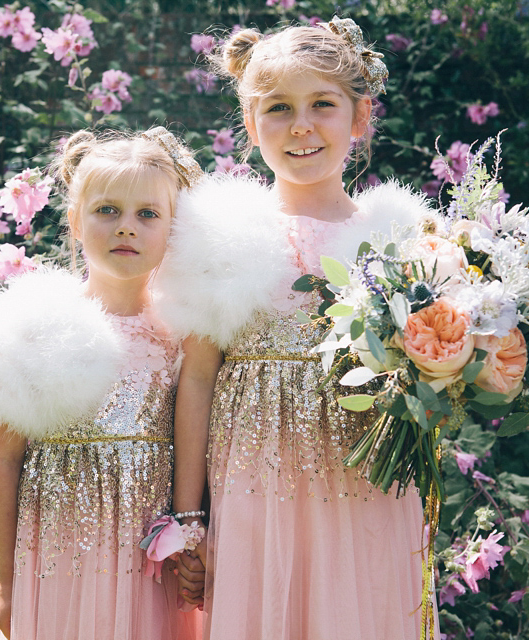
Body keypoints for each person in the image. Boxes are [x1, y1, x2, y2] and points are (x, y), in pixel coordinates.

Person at [160, 18, 439, 640]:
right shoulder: (221, 237)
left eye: (323, 104)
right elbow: (198, 379)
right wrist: (190, 517)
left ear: (359, 116)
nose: (302, 125)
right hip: (257, 486)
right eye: (279, 108)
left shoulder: (404, 242)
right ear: (251, 123)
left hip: (365, 485)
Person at [0, 127, 203, 640]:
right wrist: (6, 583)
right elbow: (3, 459)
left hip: (148, 572)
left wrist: (192, 539)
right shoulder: (40, 326)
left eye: (147, 215)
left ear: (174, 229)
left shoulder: (186, 339)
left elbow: (200, 451)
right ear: (75, 221)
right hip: (56, 563)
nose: (126, 228)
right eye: (107, 210)